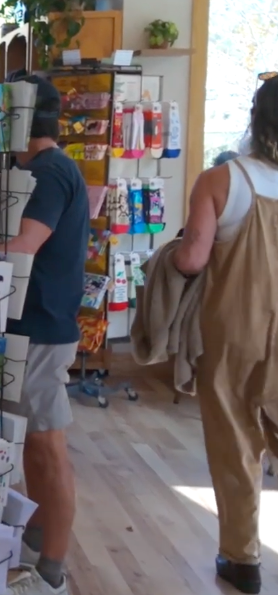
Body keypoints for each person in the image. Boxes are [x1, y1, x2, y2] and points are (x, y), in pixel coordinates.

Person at [170, 77, 278, 595]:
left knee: (236, 440)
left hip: (236, 327)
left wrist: (168, 259)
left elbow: (192, 260)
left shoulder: (222, 180)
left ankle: (243, 559)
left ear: (256, 118)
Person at [0, 74, 89, 595]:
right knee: (35, 443)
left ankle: (53, 565)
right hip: (31, 325)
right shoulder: (40, 169)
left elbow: (22, 246)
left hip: (42, 327)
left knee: (47, 444)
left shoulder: (50, 172)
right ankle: (36, 537)